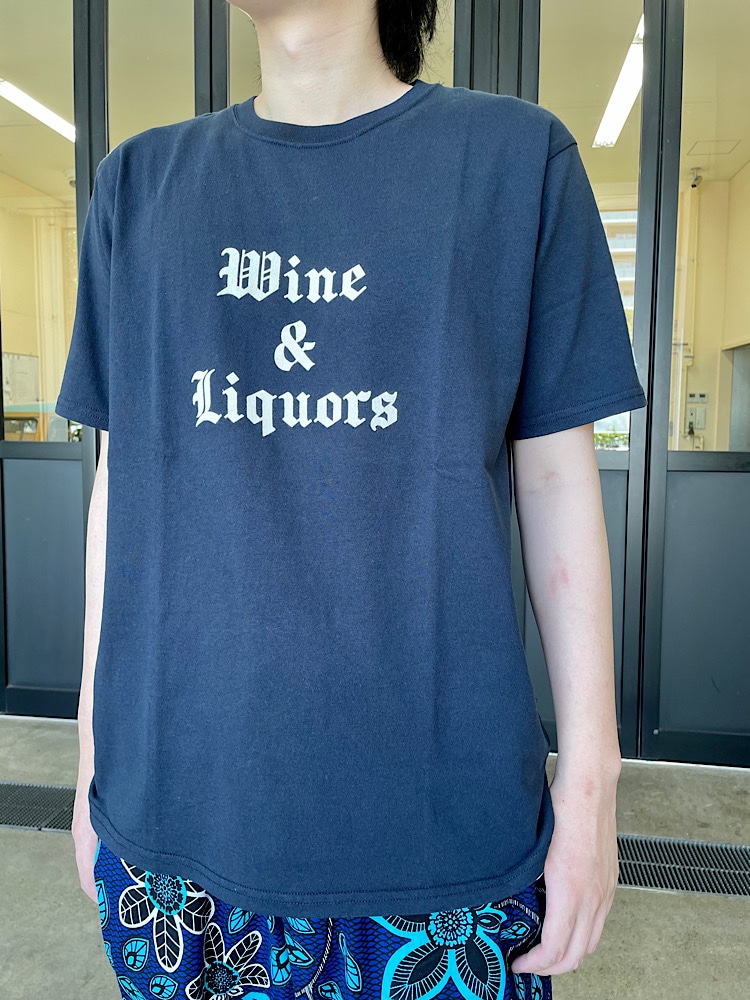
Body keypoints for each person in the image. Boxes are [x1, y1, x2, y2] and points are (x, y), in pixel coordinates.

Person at [57, 0, 647, 997]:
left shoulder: (514, 165)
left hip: (443, 844)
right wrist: (89, 759)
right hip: (174, 835)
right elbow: (121, 487)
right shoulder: (137, 186)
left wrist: (592, 783)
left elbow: (554, 478)